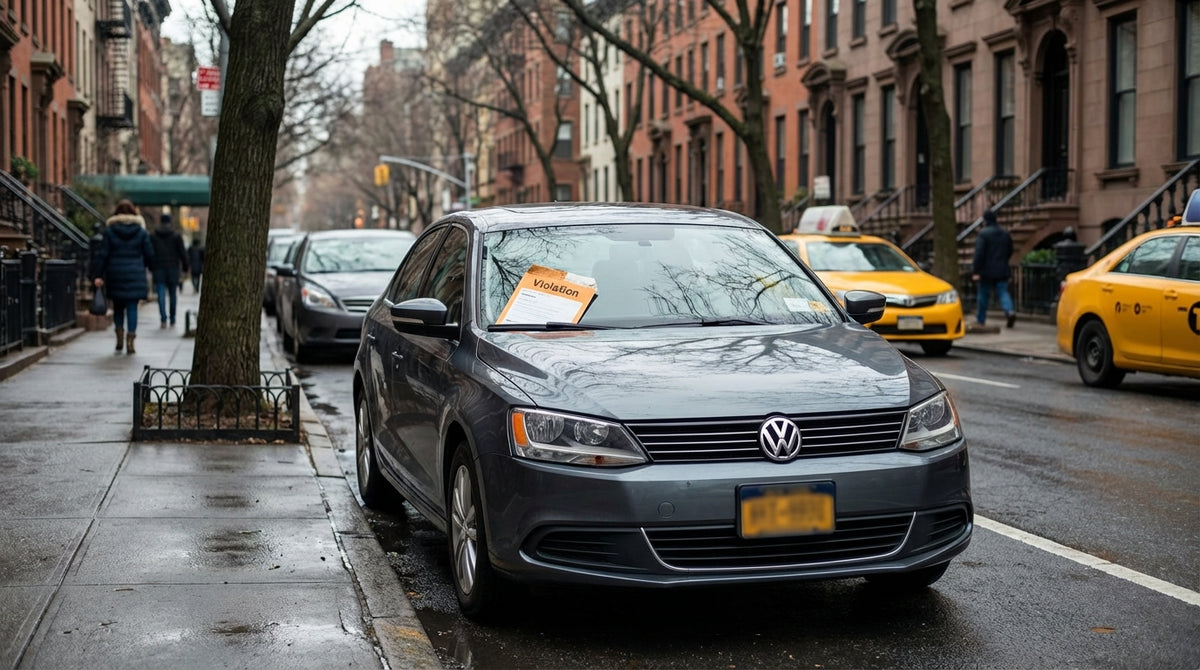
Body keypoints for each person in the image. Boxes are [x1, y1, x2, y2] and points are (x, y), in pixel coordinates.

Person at [91, 200, 154, 354]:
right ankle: (130, 341)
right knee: (132, 307)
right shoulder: (141, 232)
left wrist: (98, 274)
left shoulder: (110, 232)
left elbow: (103, 255)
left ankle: (119, 338)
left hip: (115, 273)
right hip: (135, 273)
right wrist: (143, 265)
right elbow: (150, 255)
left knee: (118, 307)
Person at [972, 209, 1016, 329]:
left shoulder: (983, 234)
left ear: (985, 220)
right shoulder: (1005, 233)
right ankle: (1009, 311)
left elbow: (979, 254)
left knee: (983, 295)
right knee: (1003, 292)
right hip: (1002, 269)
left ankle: (981, 320)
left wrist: (976, 270)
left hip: (986, 271)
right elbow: (1010, 250)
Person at [150, 213, 190, 327]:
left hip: (158, 268)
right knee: (173, 294)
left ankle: (163, 318)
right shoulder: (176, 236)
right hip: (173, 268)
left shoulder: (154, 236)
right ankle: (172, 318)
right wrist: (185, 267)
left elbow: (151, 253)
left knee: (161, 294)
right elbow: (183, 253)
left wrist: (151, 266)